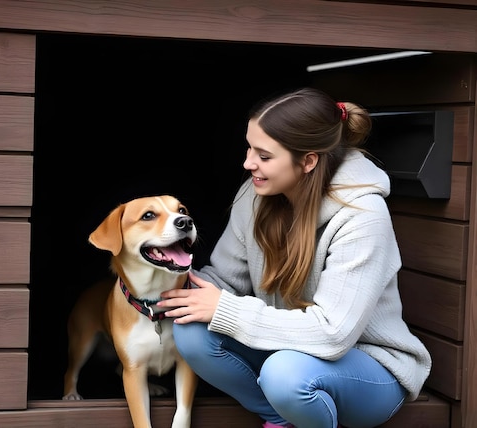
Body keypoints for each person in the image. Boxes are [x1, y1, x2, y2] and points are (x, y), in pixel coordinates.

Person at [157, 87, 432, 428]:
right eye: (249, 147)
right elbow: (225, 282)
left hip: (367, 366)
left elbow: (333, 334)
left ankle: (293, 406)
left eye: (264, 155)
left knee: (285, 374)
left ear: (308, 160)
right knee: (192, 332)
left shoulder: (363, 216)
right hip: (284, 351)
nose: (248, 163)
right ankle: (280, 418)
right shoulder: (254, 195)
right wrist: (164, 289)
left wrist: (225, 309)